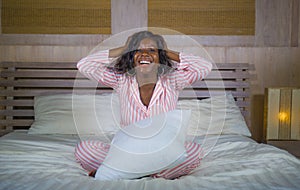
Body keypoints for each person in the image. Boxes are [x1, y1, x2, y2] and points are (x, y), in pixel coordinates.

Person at [75, 31, 212, 179]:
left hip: (162, 150)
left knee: (194, 152)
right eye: (138, 50)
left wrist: (165, 52)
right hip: (127, 150)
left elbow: (204, 66)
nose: (144, 54)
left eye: (152, 50)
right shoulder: (121, 81)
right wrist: (124, 48)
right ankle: (152, 173)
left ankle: (127, 172)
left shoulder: (173, 80)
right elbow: (84, 65)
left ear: (160, 56)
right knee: (84, 150)